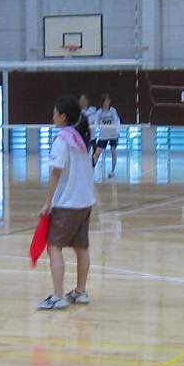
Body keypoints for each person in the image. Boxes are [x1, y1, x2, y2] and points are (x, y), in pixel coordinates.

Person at [37, 95, 96, 310]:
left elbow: (56, 173)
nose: (52, 116)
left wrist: (47, 202)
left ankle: (58, 296)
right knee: (81, 247)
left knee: (54, 246)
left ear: (63, 117)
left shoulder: (62, 140)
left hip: (67, 204)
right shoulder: (82, 138)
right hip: (85, 201)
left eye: (55, 113)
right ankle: (80, 292)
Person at [93, 94, 122, 176]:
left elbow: (117, 121)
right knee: (97, 153)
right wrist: (94, 130)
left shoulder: (113, 111)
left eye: (108, 100)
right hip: (103, 135)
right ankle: (92, 169)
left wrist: (117, 131)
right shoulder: (99, 112)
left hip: (113, 134)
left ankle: (112, 171)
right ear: (102, 101)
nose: (107, 102)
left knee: (113, 151)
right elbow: (96, 122)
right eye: (106, 100)